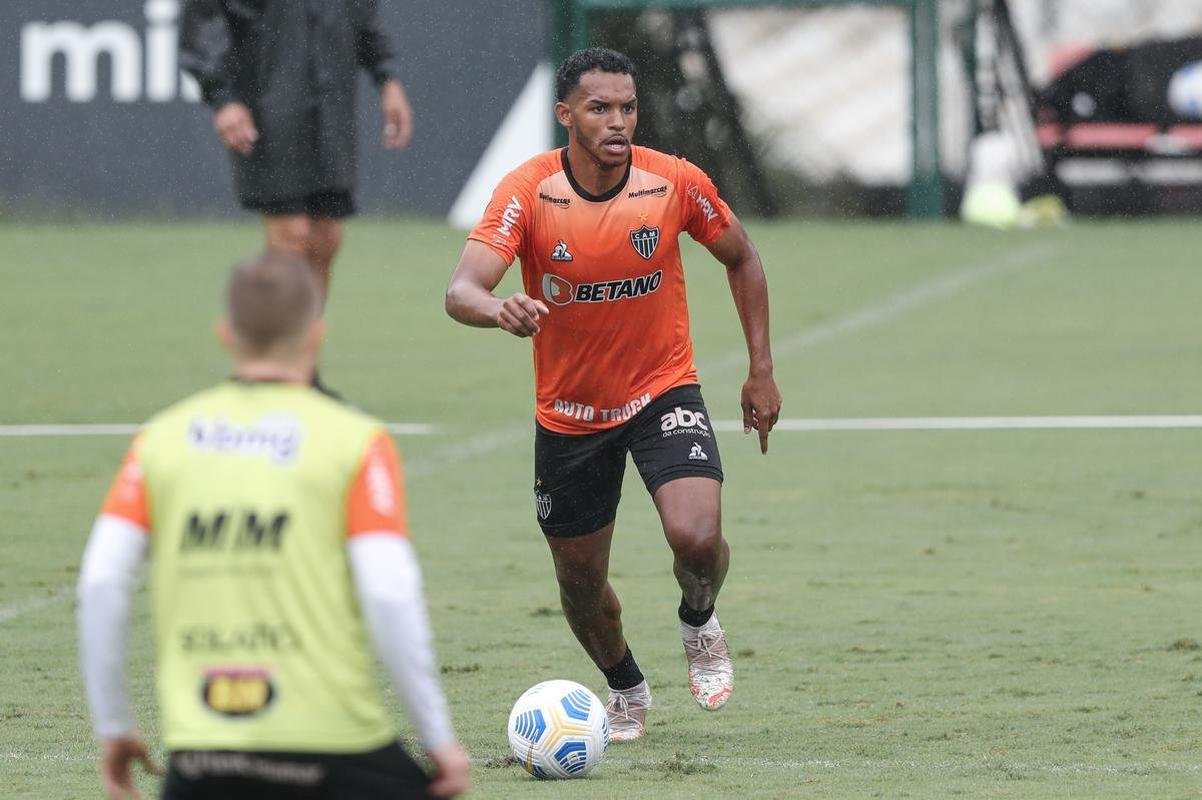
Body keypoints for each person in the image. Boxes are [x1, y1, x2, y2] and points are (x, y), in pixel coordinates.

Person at [444, 47, 782, 741]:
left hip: (663, 389)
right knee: (579, 582)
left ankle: (697, 617)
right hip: (569, 415)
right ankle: (625, 684)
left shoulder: (673, 182)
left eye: (627, 107)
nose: (618, 121)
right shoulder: (529, 191)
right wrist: (497, 309)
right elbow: (461, 290)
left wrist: (760, 369)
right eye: (600, 108)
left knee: (698, 536)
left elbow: (742, 256)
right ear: (565, 114)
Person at [77, 251, 469, 799]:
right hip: (336, 752)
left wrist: (115, 725)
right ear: (315, 334)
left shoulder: (159, 441)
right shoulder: (356, 442)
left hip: (205, 758)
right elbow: (389, 592)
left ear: (225, 334)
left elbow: (100, 582)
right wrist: (438, 737)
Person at [179, 0, 414, 302]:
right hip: (268, 102)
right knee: (291, 237)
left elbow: (363, 13)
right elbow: (204, 17)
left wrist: (388, 78)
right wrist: (222, 96)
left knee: (326, 237)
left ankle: (303, 341)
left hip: (331, 105)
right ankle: (282, 344)